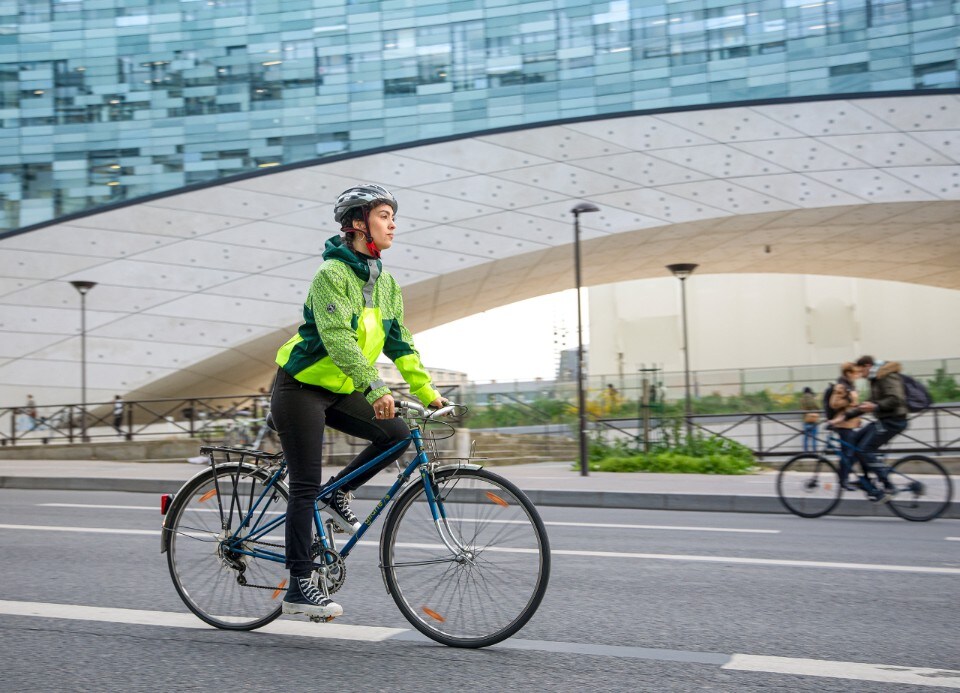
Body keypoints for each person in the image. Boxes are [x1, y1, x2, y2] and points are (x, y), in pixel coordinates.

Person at [271, 183, 445, 621]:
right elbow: (339, 341)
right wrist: (376, 388)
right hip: (301, 388)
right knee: (305, 484)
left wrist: (427, 392)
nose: (393, 223)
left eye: (392, 216)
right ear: (356, 224)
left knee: (397, 434)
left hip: (341, 389)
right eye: (384, 215)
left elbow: (400, 343)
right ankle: (297, 585)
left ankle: (339, 493)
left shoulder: (386, 284)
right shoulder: (331, 275)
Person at [830, 355, 908, 500]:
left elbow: (896, 399)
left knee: (865, 450)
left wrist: (876, 406)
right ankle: (868, 483)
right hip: (884, 420)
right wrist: (843, 417)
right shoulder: (876, 379)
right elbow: (867, 405)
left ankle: (888, 486)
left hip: (894, 421)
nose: (860, 376)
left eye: (861, 371)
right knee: (855, 441)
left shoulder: (887, 375)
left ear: (867, 366)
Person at [826, 363, 861, 489]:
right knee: (848, 453)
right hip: (843, 425)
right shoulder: (841, 386)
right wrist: (849, 400)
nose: (857, 375)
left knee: (851, 452)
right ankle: (844, 481)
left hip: (851, 423)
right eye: (855, 372)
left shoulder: (850, 386)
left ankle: (843, 477)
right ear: (848, 373)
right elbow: (834, 403)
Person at [799, 387, 819, 452]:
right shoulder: (813, 399)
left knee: (806, 438)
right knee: (814, 438)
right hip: (814, 419)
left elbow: (801, 409)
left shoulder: (801, 400)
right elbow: (818, 407)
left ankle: (805, 452)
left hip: (806, 420)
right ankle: (814, 452)